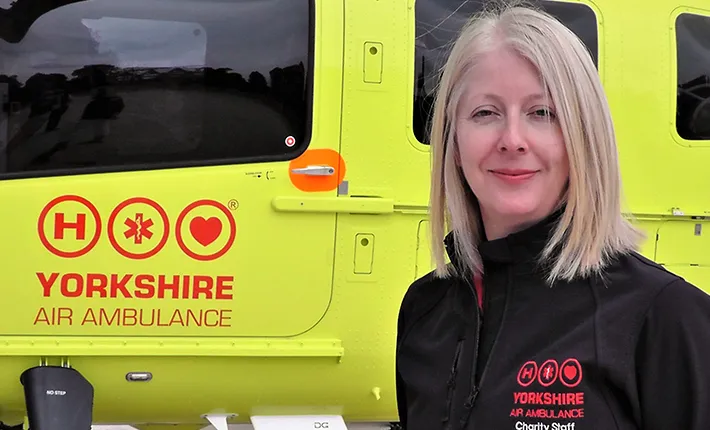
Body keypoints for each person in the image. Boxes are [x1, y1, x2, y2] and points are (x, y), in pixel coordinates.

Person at [394, 2, 710, 430]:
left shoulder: (666, 317)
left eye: (542, 113)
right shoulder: (425, 310)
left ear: (584, 135)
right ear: (453, 139)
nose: (512, 139)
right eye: (485, 113)